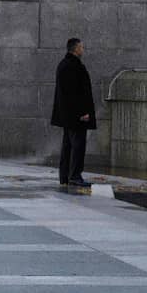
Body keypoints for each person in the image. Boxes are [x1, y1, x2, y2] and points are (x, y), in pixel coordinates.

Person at [50, 38, 96, 188]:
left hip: (68, 116)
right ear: (75, 49)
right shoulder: (73, 66)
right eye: (81, 47)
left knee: (68, 146)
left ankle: (65, 176)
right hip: (76, 116)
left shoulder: (64, 65)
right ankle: (75, 176)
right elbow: (74, 93)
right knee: (77, 145)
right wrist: (82, 112)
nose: (83, 49)